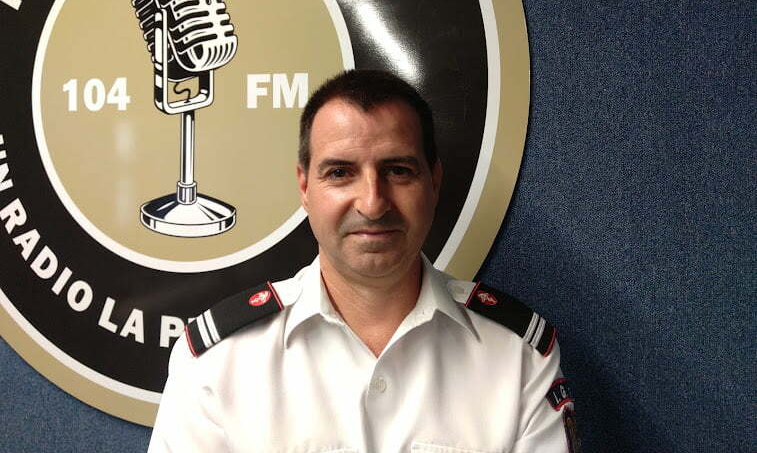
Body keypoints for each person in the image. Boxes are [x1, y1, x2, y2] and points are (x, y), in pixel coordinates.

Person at [148, 69, 579, 453]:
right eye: (340, 172)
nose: (373, 204)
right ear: (304, 187)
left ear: (434, 182)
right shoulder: (219, 361)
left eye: (398, 171)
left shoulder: (517, 356)